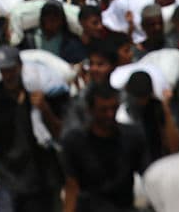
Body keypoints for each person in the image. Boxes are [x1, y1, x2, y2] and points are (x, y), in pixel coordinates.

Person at [0, 46, 65, 212]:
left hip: (41, 178)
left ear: (20, 66)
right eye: (4, 71)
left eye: (11, 69)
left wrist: (45, 109)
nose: (8, 75)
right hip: (7, 178)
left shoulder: (40, 94)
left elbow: (59, 134)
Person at [60, 82, 147, 212]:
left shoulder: (133, 137)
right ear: (91, 110)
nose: (110, 114)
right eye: (103, 110)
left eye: (113, 108)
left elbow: (146, 174)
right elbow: (72, 186)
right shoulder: (74, 141)